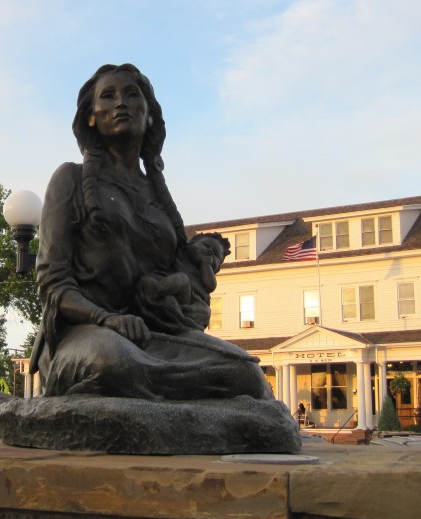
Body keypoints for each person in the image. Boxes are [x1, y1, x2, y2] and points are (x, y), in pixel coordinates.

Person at [30, 64, 272, 401]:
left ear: (149, 116)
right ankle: (166, 397)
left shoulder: (157, 198)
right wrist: (106, 318)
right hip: (85, 334)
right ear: (90, 116)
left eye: (132, 95)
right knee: (114, 363)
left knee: (248, 374)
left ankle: (155, 399)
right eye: (108, 96)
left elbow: (179, 285)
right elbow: (53, 283)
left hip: (154, 336)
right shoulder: (69, 179)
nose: (120, 103)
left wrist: (197, 260)